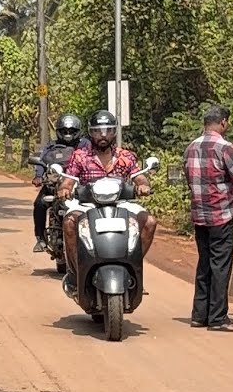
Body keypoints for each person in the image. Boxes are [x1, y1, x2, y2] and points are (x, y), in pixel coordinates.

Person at [56, 110, 157, 293]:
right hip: (87, 205)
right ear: (90, 133)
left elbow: (139, 178)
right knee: (69, 223)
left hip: (121, 204)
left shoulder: (126, 156)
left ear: (114, 132)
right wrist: (64, 189)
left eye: (108, 130)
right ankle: (75, 273)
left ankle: (132, 268)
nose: (103, 135)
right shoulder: (80, 156)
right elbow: (68, 180)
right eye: (97, 131)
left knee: (149, 222)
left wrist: (143, 186)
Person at [184, 105, 233, 332]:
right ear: (223, 122)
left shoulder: (191, 147)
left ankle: (199, 315)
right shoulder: (225, 148)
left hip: (200, 216)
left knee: (204, 264)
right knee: (220, 266)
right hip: (222, 215)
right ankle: (218, 318)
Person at [32, 113, 88, 253]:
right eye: (64, 131)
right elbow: (41, 162)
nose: (68, 134)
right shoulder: (51, 146)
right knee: (39, 204)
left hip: (80, 185)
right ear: (58, 132)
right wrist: (38, 176)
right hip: (54, 185)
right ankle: (40, 239)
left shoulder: (85, 145)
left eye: (71, 131)